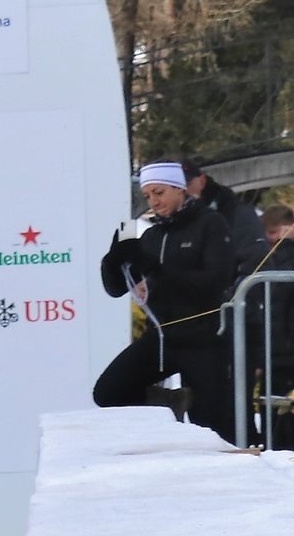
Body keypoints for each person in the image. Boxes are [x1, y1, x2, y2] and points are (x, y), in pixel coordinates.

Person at [94, 160, 237, 440]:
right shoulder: (149, 231)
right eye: (148, 195)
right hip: (161, 338)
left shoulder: (210, 223)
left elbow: (214, 282)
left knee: (211, 425)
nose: (153, 201)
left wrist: (157, 270)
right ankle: (167, 404)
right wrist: (113, 259)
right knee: (108, 392)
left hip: (202, 339)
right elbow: (115, 289)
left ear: (179, 189)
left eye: (159, 193)